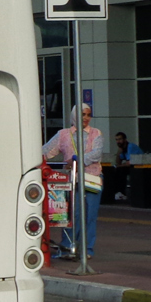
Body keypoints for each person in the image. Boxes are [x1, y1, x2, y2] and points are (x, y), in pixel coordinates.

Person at [43, 103, 103, 259]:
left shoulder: (96, 133)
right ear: (75, 115)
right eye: (83, 114)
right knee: (70, 215)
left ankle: (87, 250)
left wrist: (76, 160)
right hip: (71, 181)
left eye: (89, 115)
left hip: (92, 179)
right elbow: (46, 151)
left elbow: (96, 154)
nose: (86, 118)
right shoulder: (63, 134)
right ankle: (68, 247)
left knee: (90, 215)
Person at [108, 131, 142, 201]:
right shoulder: (122, 149)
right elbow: (118, 162)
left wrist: (118, 166)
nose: (118, 141)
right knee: (116, 171)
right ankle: (117, 192)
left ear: (125, 139)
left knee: (121, 170)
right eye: (117, 140)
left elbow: (129, 163)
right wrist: (118, 153)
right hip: (133, 167)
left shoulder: (130, 146)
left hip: (140, 167)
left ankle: (121, 192)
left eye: (120, 139)